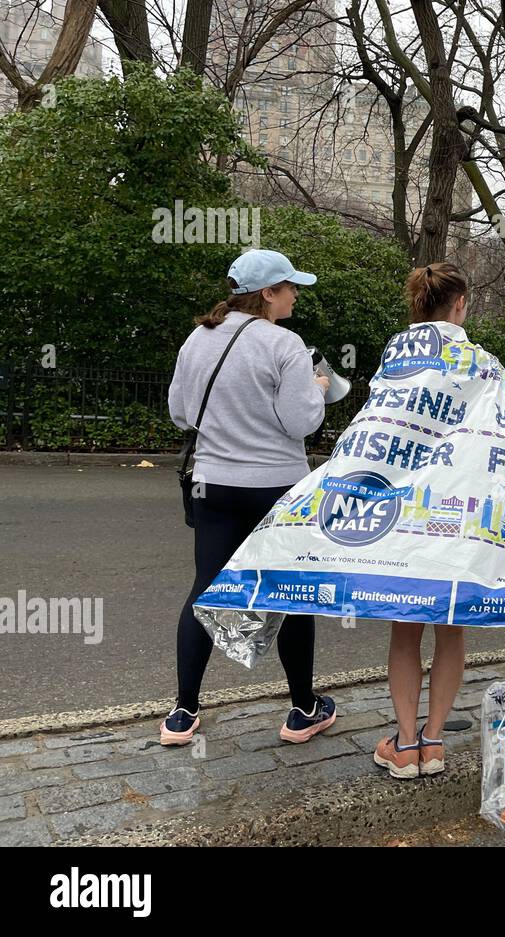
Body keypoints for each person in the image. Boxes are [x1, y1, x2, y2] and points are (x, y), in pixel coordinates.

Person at [190, 262, 505, 778]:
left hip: (406, 520)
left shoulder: (397, 352)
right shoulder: (479, 361)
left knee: (406, 630)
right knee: (451, 630)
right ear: (461, 304)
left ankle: (403, 745)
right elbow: (490, 418)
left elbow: (393, 419)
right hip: (460, 521)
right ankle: (436, 742)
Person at [165, 249, 334, 747]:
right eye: (290, 287)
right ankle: (302, 711)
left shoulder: (197, 339)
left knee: (204, 590)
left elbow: (179, 412)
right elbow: (301, 421)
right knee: (293, 597)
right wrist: (319, 386)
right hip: (276, 488)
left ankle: (182, 712)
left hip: (213, 483)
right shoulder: (285, 344)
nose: (295, 294)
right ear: (267, 294)